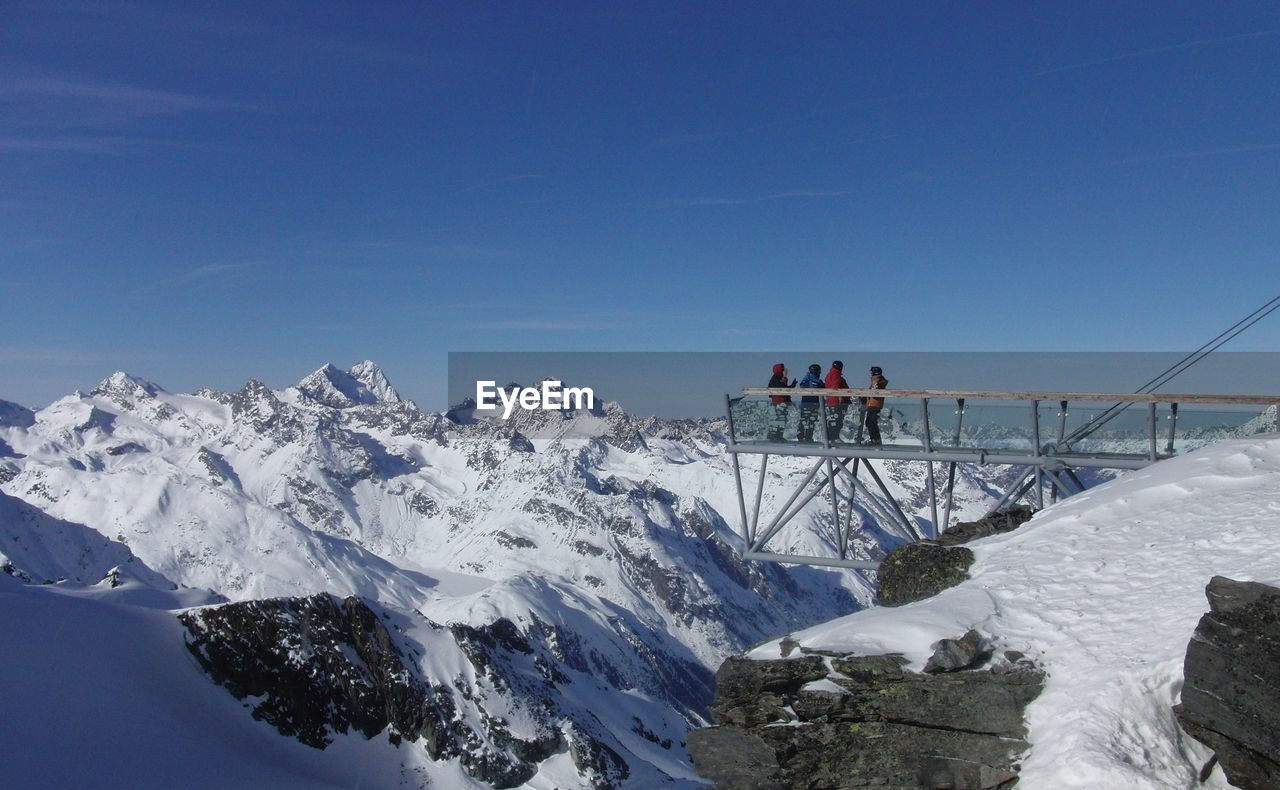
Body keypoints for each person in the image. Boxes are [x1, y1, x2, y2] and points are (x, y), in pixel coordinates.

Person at [766, 363, 796, 441]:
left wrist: (792, 386)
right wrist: (785, 378)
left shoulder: (777, 378)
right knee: (779, 420)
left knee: (782, 420)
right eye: (783, 369)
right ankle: (774, 436)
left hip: (781, 402)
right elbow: (781, 388)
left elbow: (783, 388)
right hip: (779, 402)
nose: (785, 371)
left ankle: (777, 436)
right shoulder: (776, 378)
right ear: (780, 370)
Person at [823, 360, 851, 442]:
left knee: (833, 420)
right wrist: (840, 397)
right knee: (837, 421)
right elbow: (836, 385)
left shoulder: (829, 375)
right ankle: (834, 438)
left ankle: (830, 438)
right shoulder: (836, 374)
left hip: (830, 401)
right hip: (836, 402)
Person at [862, 365, 888, 446]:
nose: (871, 374)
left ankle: (875, 440)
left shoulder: (877, 381)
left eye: (872, 372)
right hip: (873, 404)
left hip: (874, 404)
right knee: (870, 422)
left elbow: (875, 392)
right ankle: (875, 440)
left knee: (871, 422)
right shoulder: (877, 381)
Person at [797, 363, 824, 442]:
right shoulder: (808, 378)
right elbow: (802, 385)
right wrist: (815, 387)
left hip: (812, 403)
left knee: (810, 420)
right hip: (808, 402)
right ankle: (802, 436)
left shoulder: (817, 380)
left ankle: (807, 436)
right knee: (806, 420)